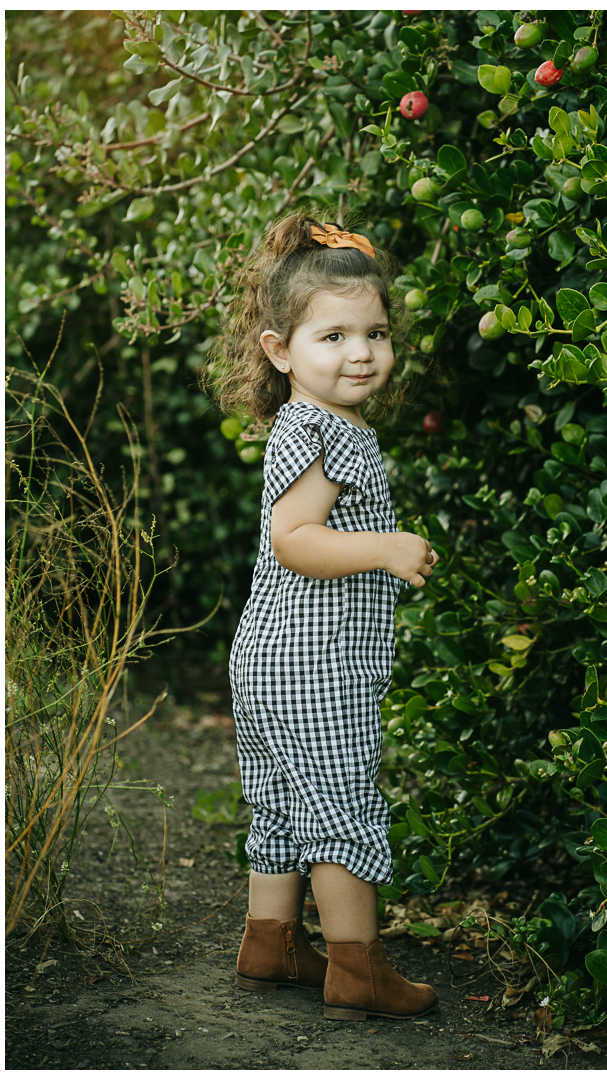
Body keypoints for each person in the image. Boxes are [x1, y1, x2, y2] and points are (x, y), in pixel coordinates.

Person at [206, 213, 439, 1022]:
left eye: (373, 333)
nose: (361, 353)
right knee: (339, 804)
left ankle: (269, 944)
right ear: (280, 350)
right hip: (317, 661)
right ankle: (358, 971)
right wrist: (384, 548)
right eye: (333, 336)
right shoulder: (329, 435)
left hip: (267, 656)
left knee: (280, 804)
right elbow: (294, 539)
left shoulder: (307, 424)